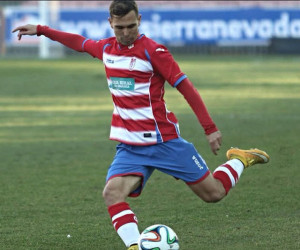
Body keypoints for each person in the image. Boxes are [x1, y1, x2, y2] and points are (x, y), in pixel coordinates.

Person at [12, 1, 270, 249]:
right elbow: (79, 42)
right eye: (119, 28)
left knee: (213, 194)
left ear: (140, 21)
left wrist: (210, 128)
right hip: (131, 147)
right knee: (112, 194)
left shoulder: (153, 51)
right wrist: (42, 30)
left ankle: (239, 159)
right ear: (110, 23)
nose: (126, 33)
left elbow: (186, 88)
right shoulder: (105, 49)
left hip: (164, 141)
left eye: (131, 26)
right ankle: (135, 246)